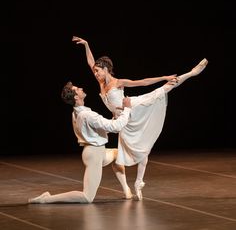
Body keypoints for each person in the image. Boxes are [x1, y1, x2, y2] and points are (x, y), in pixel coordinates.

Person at [72, 36, 208, 200]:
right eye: (95, 71)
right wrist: (86, 45)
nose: (95, 73)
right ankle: (137, 183)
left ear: (106, 69)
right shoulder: (100, 82)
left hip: (133, 107)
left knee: (162, 90)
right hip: (122, 120)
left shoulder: (118, 82)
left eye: (98, 70)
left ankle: (191, 73)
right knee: (139, 149)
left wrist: (163, 77)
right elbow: (90, 61)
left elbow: (142, 83)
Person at [28, 81, 133, 204]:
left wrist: (114, 118)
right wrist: (127, 109)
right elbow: (115, 127)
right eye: (78, 89)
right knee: (87, 197)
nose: (81, 88)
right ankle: (47, 199)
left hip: (96, 151)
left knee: (117, 154)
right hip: (94, 154)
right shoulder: (87, 115)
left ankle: (126, 190)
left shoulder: (76, 112)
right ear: (76, 97)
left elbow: (96, 131)